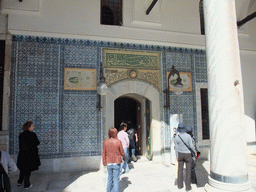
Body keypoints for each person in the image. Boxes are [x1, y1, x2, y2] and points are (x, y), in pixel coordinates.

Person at [17, 121, 41, 189]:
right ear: (29, 127)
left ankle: (19, 181)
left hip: (22, 154)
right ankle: (26, 184)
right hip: (30, 155)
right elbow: (37, 142)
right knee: (27, 170)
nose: (33, 127)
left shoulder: (21, 135)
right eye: (32, 126)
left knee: (23, 168)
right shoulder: (32, 134)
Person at [102, 127, 126, 192]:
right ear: (116, 133)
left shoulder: (106, 142)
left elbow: (103, 153)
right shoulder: (118, 141)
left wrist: (104, 161)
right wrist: (124, 157)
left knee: (109, 178)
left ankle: (108, 190)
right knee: (116, 179)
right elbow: (122, 152)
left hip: (109, 162)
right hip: (116, 162)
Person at [174, 123, 197, 192]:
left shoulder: (177, 137)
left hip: (180, 154)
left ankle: (180, 185)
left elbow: (176, 148)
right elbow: (191, 146)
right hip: (187, 155)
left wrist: (177, 156)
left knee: (180, 171)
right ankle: (188, 187)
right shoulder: (188, 136)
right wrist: (195, 151)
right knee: (188, 171)